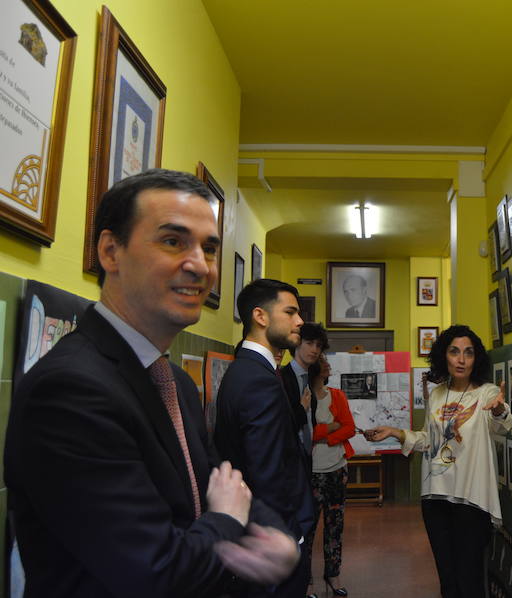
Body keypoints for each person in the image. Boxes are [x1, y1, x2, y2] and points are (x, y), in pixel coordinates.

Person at [4, 169, 300, 597]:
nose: (200, 264)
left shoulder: (174, 382)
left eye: (210, 248)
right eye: (172, 241)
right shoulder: (71, 391)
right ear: (111, 251)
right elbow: (157, 573)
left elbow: (226, 486)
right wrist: (229, 522)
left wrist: (278, 537)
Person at [367, 325, 510, 598]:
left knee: (469, 576)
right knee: (447, 577)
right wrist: (395, 433)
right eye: (454, 352)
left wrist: (501, 409)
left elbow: (501, 425)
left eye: (468, 353)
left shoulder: (487, 393)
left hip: (471, 498)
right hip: (435, 497)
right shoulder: (437, 394)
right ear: (444, 356)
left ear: (475, 358)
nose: (461, 359)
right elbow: (430, 441)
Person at [214, 278, 316, 596]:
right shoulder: (257, 379)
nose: (300, 321)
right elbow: (267, 469)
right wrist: (290, 535)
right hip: (275, 538)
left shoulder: (250, 370)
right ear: (261, 316)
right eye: (291, 312)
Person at [280, 322, 329, 597]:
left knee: (306, 524)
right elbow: (284, 424)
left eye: (319, 346)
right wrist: (301, 409)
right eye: (309, 343)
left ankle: (302, 582)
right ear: (296, 344)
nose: (314, 350)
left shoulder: (310, 377)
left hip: (307, 460)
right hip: (289, 463)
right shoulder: (283, 377)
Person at [307, 354, 357, 597]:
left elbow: (349, 426)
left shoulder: (337, 395)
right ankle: (306, 581)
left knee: (335, 525)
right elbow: (304, 431)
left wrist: (327, 436)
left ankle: (333, 574)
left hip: (337, 469)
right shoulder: (303, 396)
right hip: (311, 472)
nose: (328, 365)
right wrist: (329, 428)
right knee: (307, 527)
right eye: (324, 361)